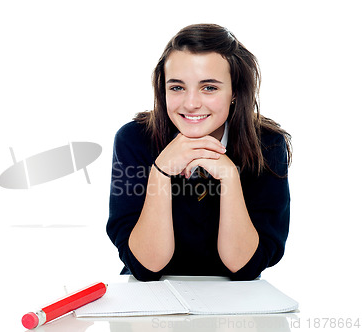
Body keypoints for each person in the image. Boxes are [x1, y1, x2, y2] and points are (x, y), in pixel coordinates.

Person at [106, 24, 292, 282]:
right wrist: (160, 172)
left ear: (235, 91)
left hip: (236, 302)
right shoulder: (134, 139)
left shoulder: (268, 144)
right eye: (177, 87)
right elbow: (145, 268)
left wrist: (228, 176)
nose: (191, 103)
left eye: (209, 88)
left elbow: (247, 266)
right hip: (152, 298)